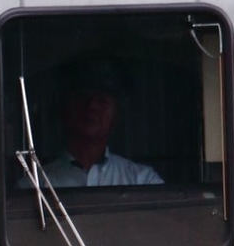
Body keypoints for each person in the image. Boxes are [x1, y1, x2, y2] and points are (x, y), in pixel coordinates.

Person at [44, 59, 162, 187]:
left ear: (116, 114)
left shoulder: (143, 181)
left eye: (102, 100)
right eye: (82, 96)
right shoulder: (34, 185)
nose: (91, 106)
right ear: (64, 107)